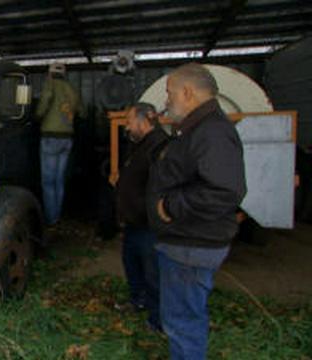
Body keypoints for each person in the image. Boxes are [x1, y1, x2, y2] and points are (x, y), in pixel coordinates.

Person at [147, 63, 247, 359]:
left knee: (182, 323)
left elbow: (225, 190)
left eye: (169, 93)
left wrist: (170, 206)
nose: (166, 100)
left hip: (192, 244)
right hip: (186, 242)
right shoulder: (198, 128)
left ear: (187, 92)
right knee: (183, 318)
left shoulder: (212, 132)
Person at [113, 103, 167, 333]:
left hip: (149, 223)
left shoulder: (160, 146)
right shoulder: (138, 145)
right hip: (134, 222)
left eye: (129, 121)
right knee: (131, 263)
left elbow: (160, 185)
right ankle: (138, 300)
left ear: (144, 120)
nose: (127, 126)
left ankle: (158, 320)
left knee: (153, 271)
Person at [36, 63, 86, 226]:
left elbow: (43, 106)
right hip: (67, 138)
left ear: (50, 73)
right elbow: (83, 112)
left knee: (48, 182)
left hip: (51, 137)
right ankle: (56, 214)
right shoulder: (72, 90)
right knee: (59, 180)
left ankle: (51, 219)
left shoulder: (50, 85)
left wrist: (37, 116)